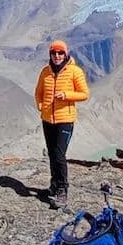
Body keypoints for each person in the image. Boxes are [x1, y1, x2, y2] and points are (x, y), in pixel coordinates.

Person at [34, 39, 90, 210]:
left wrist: (67, 95)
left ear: (66, 54)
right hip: (47, 120)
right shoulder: (45, 72)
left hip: (65, 119)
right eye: (54, 53)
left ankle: (62, 190)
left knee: (59, 154)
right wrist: (40, 106)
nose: (57, 56)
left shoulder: (75, 71)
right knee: (52, 154)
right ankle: (53, 185)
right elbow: (38, 93)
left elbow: (84, 94)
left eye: (60, 53)